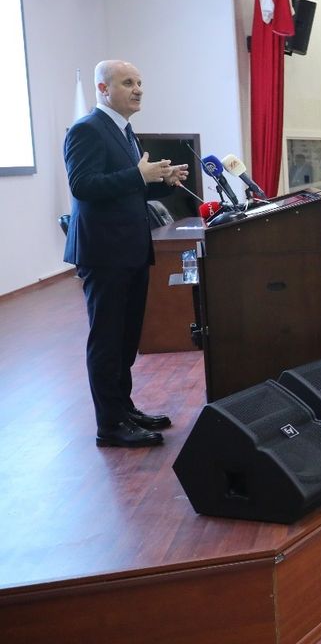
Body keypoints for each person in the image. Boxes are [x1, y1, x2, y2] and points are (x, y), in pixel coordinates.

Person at [64, 59, 188, 447]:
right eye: (128, 82)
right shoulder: (87, 129)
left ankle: (124, 409)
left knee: (126, 338)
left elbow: (127, 190)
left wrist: (161, 182)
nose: (138, 89)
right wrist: (139, 174)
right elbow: (83, 185)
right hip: (104, 253)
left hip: (131, 249)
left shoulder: (125, 132)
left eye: (139, 82)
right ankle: (110, 425)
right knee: (107, 340)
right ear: (103, 89)